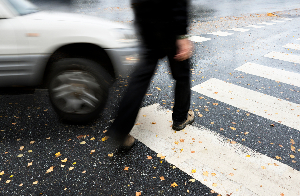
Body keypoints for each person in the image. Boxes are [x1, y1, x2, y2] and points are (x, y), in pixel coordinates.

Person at [107, 0, 194, 149]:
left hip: (145, 19)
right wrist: (181, 35)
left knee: (141, 77)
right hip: (168, 19)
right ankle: (180, 118)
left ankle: (120, 130)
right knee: (182, 73)